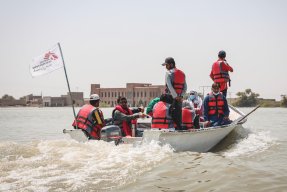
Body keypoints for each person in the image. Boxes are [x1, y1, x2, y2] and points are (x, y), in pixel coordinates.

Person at [162, 57, 187, 130]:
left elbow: (169, 86)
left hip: (170, 98)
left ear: (171, 64)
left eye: (166, 65)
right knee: (178, 117)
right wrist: (181, 96)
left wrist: (175, 96)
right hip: (179, 100)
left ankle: (167, 129)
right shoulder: (182, 73)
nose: (166, 67)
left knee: (169, 115)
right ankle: (178, 129)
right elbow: (185, 87)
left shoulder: (168, 73)